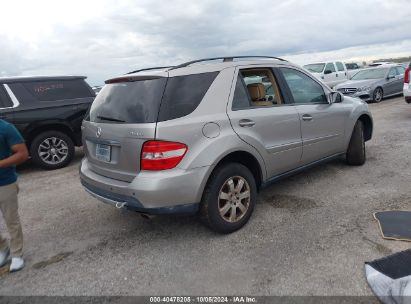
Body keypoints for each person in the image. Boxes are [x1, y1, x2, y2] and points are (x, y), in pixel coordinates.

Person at [0, 119, 28, 272]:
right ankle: (3, 249)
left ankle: (17, 254)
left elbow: (23, 154)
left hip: (4, 182)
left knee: (11, 220)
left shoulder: (5, 128)